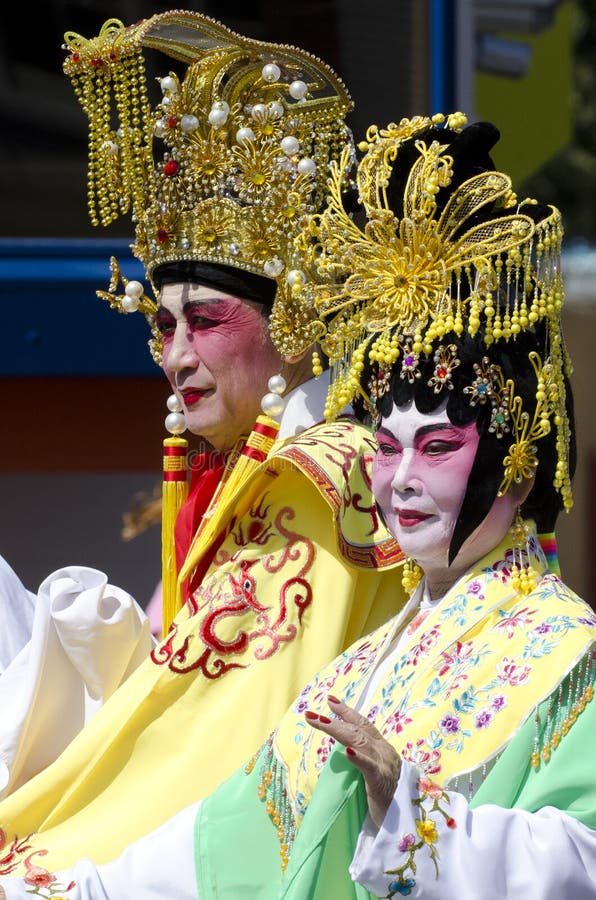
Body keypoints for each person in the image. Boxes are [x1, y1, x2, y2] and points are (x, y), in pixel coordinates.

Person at [2, 110, 594, 899]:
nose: (401, 480)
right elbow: (227, 837)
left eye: (438, 447)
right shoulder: (362, 667)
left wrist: (414, 817)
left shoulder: (569, 655)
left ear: (516, 465)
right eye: (387, 448)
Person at [0, 9, 404, 868]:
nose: (176, 356)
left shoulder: (319, 479)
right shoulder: (249, 473)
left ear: (293, 320)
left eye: (207, 321)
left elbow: (215, 742)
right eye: (163, 325)